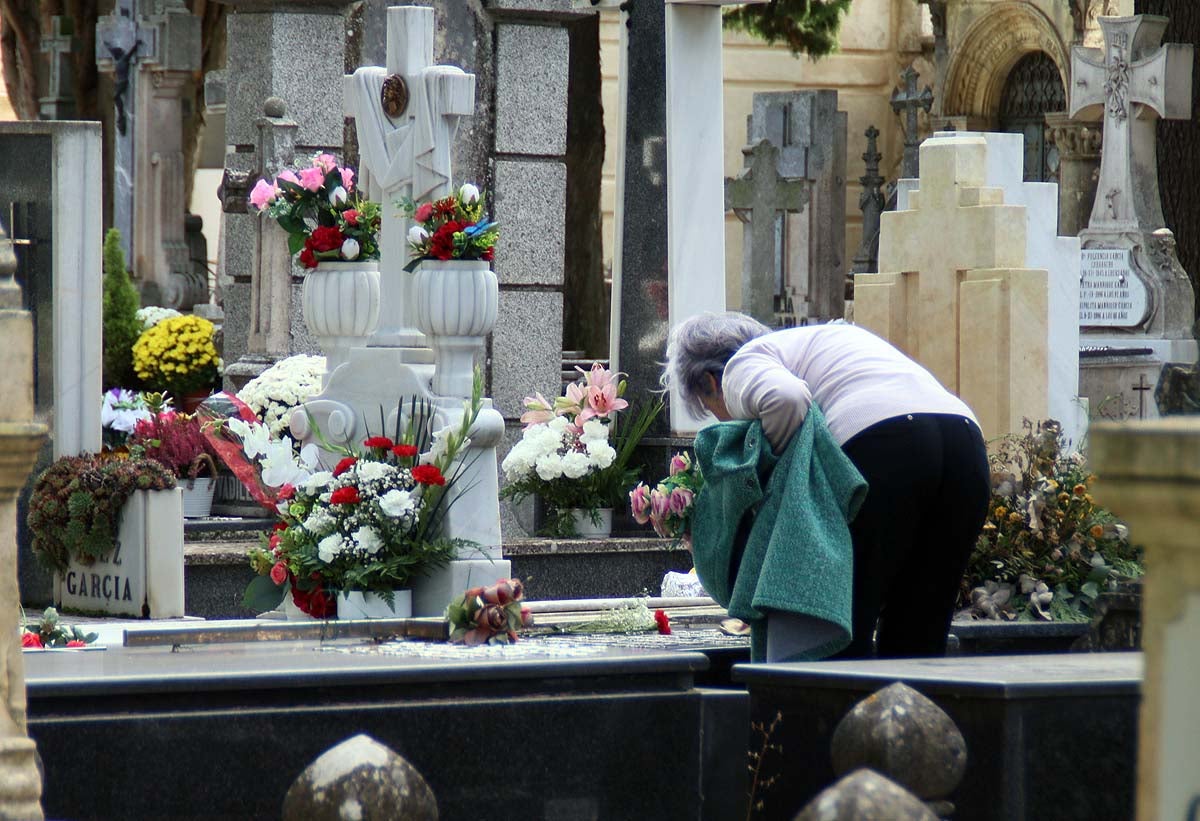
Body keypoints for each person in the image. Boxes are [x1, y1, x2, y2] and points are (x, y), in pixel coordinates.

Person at [664, 312, 990, 658]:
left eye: (714, 412)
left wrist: (768, 468)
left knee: (844, 624)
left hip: (887, 447)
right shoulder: (824, 342)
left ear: (710, 383)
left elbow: (785, 398)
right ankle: (915, 712)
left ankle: (833, 711)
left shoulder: (744, 363)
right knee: (919, 630)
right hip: (965, 445)